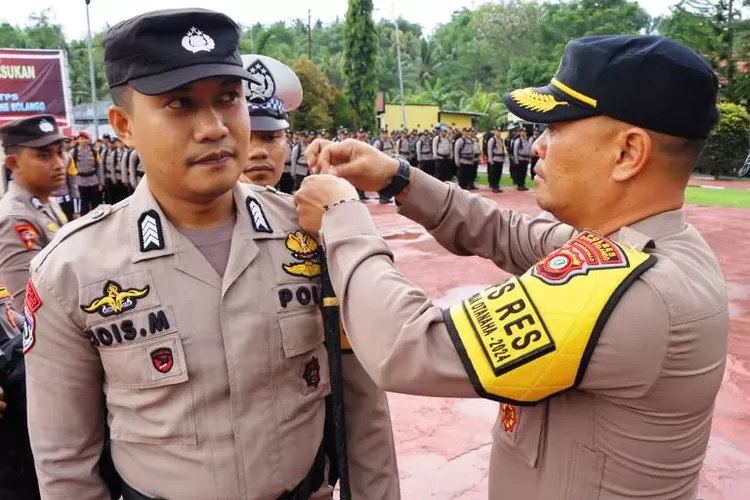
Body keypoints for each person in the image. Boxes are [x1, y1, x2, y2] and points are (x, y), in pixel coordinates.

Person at [295, 34, 728, 499]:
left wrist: (343, 218)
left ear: (628, 153)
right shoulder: (647, 246)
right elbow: (505, 230)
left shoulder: (636, 291)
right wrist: (397, 177)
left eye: (557, 128)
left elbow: (406, 348)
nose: (538, 146)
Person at [24, 9, 399, 500]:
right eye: (180, 103)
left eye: (228, 98)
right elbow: (66, 464)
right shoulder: (71, 270)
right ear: (124, 125)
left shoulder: (314, 235)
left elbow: (363, 406)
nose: (214, 127)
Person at [0, 115, 69, 312]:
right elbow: (28, 307)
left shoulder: (46, 202)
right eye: (45, 155)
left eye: (61, 152)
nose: (59, 164)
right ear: (14, 163)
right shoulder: (14, 218)